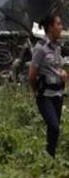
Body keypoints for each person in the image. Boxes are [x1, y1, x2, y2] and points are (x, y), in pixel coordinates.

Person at [29, 15, 66, 157]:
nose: (61, 27)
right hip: (44, 95)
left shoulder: (57, 47)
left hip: (57, 93)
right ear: (50, 27)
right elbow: (32, 74)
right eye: (58, 24)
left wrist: (62, 73)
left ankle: (50, 158)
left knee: (54, 130)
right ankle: (49, 155)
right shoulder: (41, 48)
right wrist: (35, 91)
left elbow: (57, 68)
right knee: (54, 126)